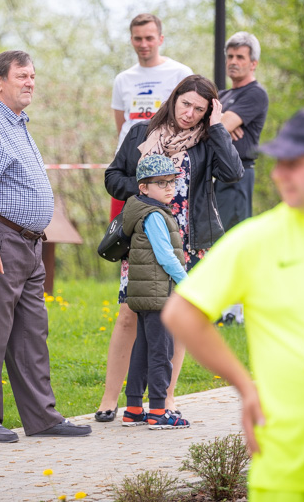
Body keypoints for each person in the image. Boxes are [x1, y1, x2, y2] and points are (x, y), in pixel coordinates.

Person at [163, 108, 304, 502]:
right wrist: (244, 387)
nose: (279, 175)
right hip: (286, 470)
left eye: (295, 164)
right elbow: (180, 313)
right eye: (279, 163)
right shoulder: (257, 240)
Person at [0, 50, 92, 443]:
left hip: (31, 244)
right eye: (22, 76)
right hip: (0, 239)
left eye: (33, 76)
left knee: (32, 332)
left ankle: (42, 418)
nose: (30, 82)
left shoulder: (17, 124)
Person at [97, 74, 243, 422]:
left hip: (189, 243)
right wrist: (146, 186)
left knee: (178, 318)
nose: (189, 113)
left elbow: (233, 173)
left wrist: (219, 127)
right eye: (185, 104)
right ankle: (109, 398)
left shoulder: (207, 141)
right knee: (128, 315)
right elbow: (112, 178)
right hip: (143, 243)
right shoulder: (140, 133)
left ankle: (167, 397)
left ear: (209, 112)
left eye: (199, 109)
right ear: (174, 99)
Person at [119, 154, 191, 430]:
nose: (169, 188)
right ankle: (159, 411)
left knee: (143, 349)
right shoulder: (153, 215)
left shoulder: (141, 209)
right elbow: (166, 256)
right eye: (161, 183)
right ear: (144, 187)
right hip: (158, 294)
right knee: (162, 351)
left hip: (146, 292)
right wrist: (187, 282)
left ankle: (134, 408)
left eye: (172, 182)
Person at [110, 13, 194, 221]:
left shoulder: (180, 73)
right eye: (138, 38)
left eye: (149, 38)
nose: (143, 44)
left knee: (167, 231)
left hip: (167, 166)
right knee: (126, 234)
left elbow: (192, 118)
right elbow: (122, 126)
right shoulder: (123, 79)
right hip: (130, 167)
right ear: (131, 41)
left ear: (161, 39)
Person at [215, 32, 269, 232]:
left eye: (240, 57)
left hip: (238, 177)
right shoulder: (222, 94)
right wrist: (221, 124)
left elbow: (218, 127)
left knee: (229, 239)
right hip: (216, 177)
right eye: (230, 56)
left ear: (253, 63)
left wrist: (222, 123)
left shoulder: (255, 93)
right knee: (211, 243)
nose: (233, 61)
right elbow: (209, 126)